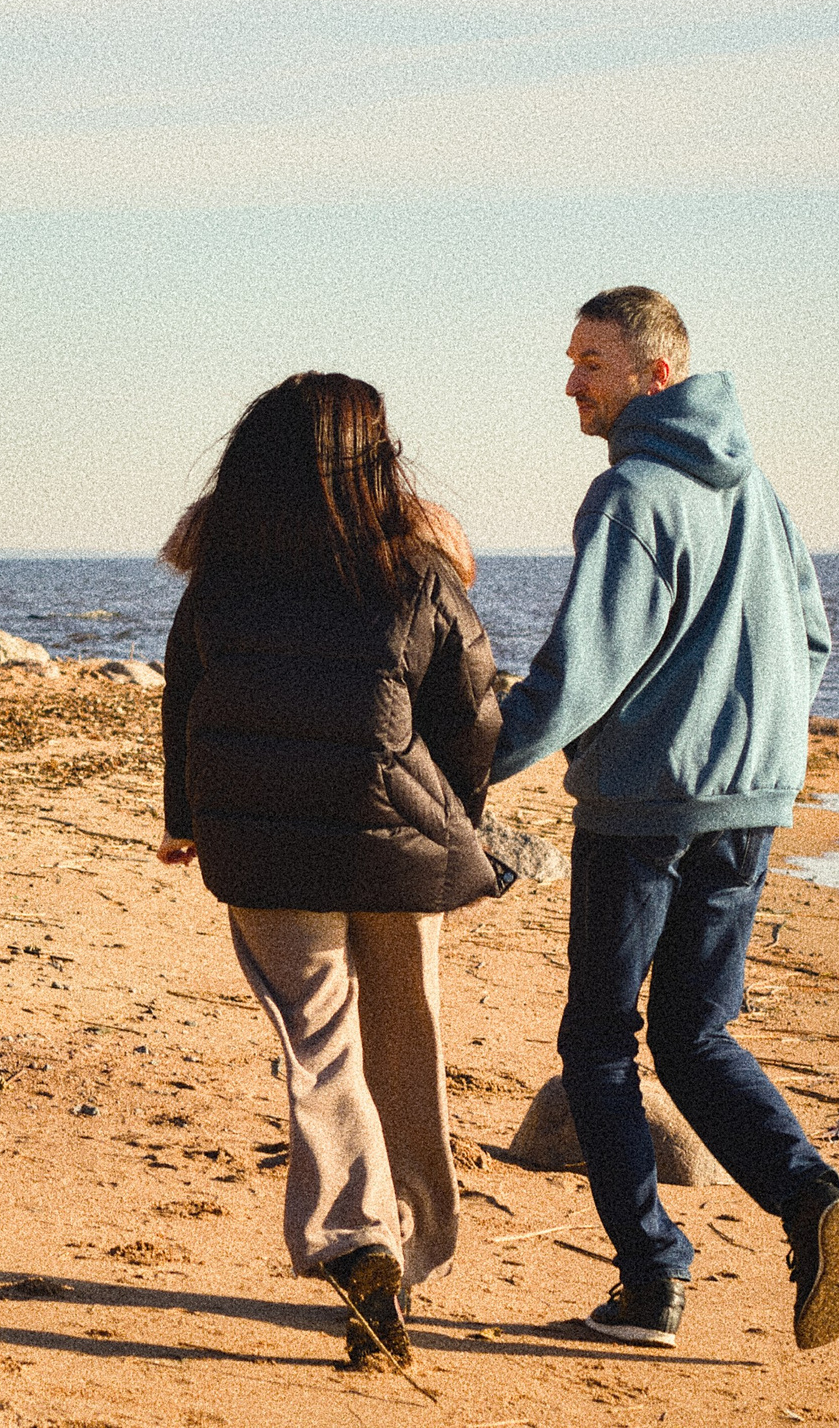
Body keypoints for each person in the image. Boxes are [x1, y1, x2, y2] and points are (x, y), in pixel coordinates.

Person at [491, 286, 839, 1351]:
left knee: (599, 1044)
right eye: (570, 360)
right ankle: (811, 1203)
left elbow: (579, 673)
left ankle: (652, 1280)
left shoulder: (632, 496)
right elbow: (814, 641)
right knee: (696, 1035)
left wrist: (469, 767)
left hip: (645, 806)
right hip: (750, 803)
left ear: (655, 374)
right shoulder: (761, 495)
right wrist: (765, 750)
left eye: (590, 362)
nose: (570, 382)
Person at [156, 372, 500, 1372]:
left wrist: (185, 819)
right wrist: (461, 825)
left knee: (318, 1048)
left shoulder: (219, 578)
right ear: (375, 458)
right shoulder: (415, 573)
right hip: (398, 843)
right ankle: (409, 1240)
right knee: (409, 1035)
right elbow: (472, 715)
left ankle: (360, 1245)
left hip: (263, 851)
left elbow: (184, 698)